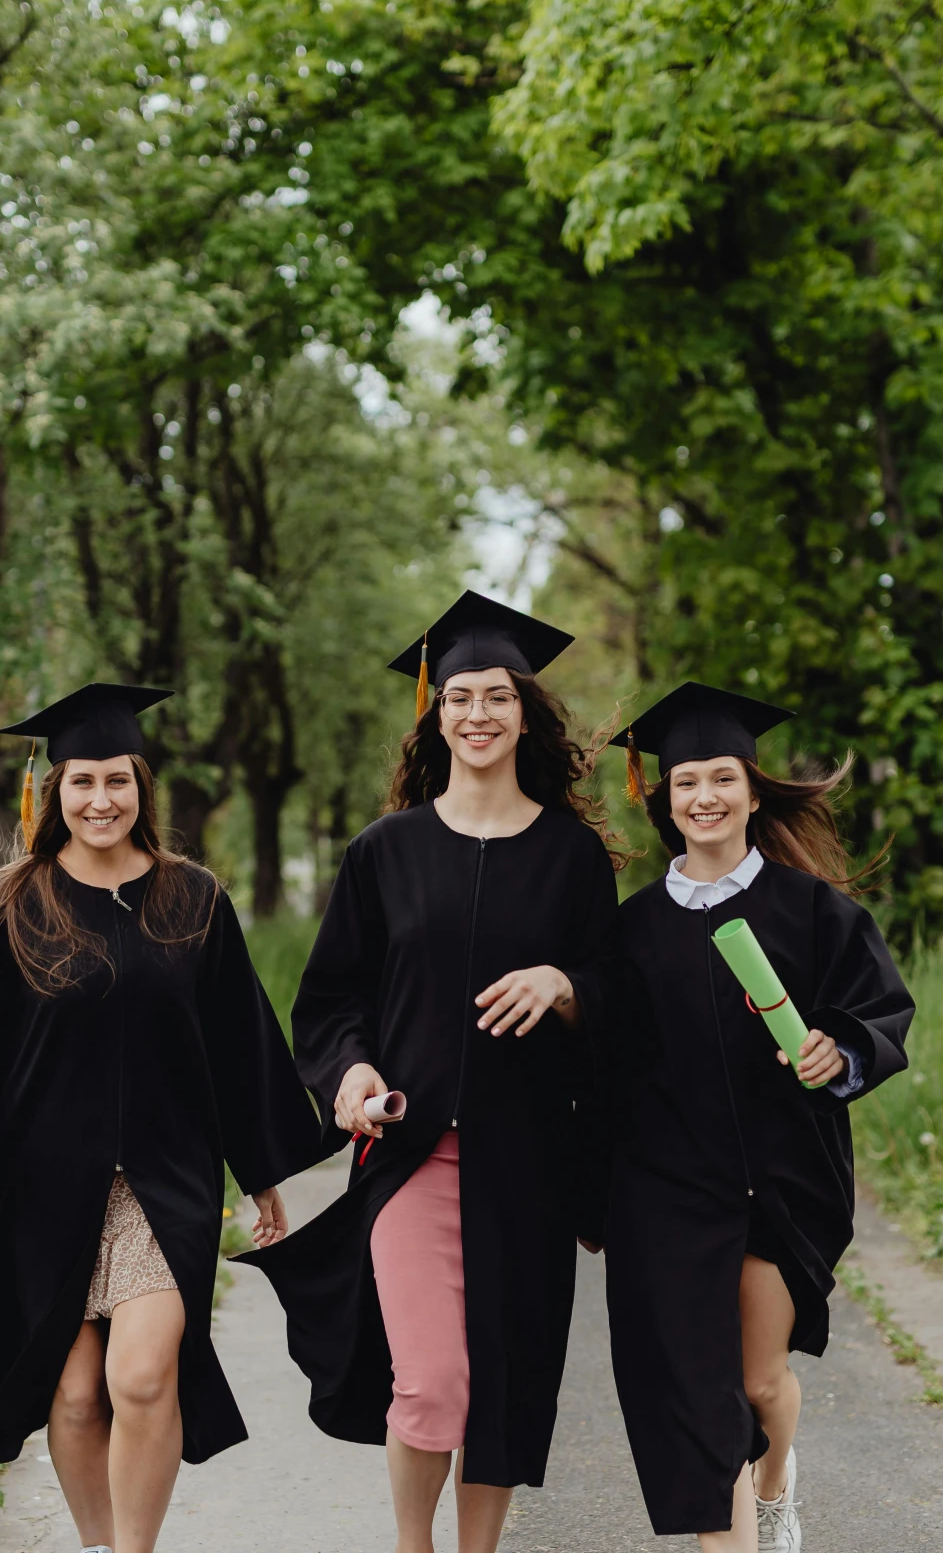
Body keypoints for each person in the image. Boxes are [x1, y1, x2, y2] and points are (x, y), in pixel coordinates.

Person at [0, 683, 330, 1553]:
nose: (100, 800)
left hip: (165, 1182)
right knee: (76, 1395)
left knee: (137, 1376)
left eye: (117, 780)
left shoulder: (192, 899)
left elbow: (239, 1042)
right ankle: (98, 1546)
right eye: (81, 782)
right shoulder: (11, 904)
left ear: (142, 785)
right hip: (38, 1186)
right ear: (53, 792)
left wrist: (263, 1169)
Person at [239, 592, 620, 1553]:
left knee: (503, 1382)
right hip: (415, 1158)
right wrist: (353, 1073)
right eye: (459, 697)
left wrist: (567, 983)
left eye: (498, 695)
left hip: (529, 1160)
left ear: (527, 711)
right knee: (433, 1383)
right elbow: (331, 1002)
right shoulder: (384, 853)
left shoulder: (572, 858)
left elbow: (619, 992)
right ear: (434, 712)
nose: (479, 713)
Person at [600, 682, 914, 1553]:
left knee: (761, 1383)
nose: (705, 795)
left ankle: (776, 1483)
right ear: (662, 797)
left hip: (777, 1180)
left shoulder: (810, 910)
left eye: (723, 777)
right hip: (667, 1189)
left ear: (751, 787)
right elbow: (604, 1070)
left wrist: (836, 1051)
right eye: (686, 779)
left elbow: (879, 1012)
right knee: (705, 1405)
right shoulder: (629, 933)